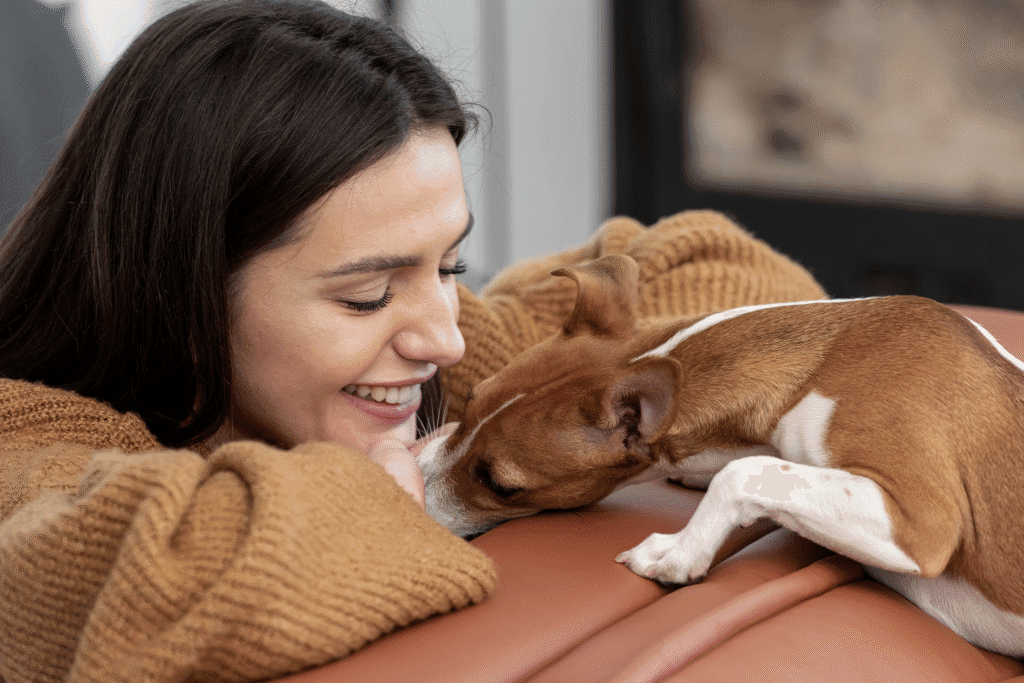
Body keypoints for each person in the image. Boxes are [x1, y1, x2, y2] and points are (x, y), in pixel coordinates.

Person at [0, 1, 825, 682]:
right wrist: (383, 489)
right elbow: (185, 565)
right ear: (178, 290)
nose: (446, 339)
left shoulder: (425, 376)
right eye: (367, 294)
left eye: (451, 264)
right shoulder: (24, 446)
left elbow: (726, 268)